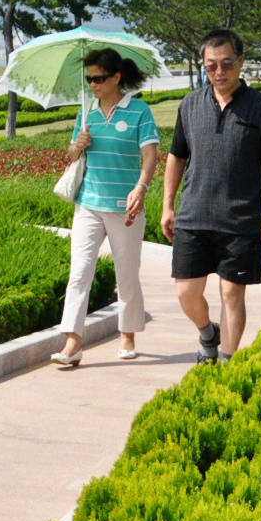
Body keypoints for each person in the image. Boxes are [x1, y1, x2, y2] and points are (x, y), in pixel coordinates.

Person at [160, 29, 261, 364]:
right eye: (211, 66)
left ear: (241, 62)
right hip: (193, 216)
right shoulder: (190, 104)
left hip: (240, 220)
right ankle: (208, 332)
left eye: (226, 64)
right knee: (186, 291)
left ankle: (227, 362)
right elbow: (176, 156)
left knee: (232, 293)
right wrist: (167, 205)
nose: (219, 72)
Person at [50, 48, 159, 368]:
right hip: (88, 205)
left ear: (116, 78)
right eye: (89, 79)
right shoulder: (85, 114)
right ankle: (73, 341)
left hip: (125, 209)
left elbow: (150, 155)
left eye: (99, 78)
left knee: (127, 276)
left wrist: (141, 188)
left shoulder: (139, 112)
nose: (93, 84)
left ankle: (128, 333)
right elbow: (71, 156)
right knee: (79, 273)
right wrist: (77, 145)